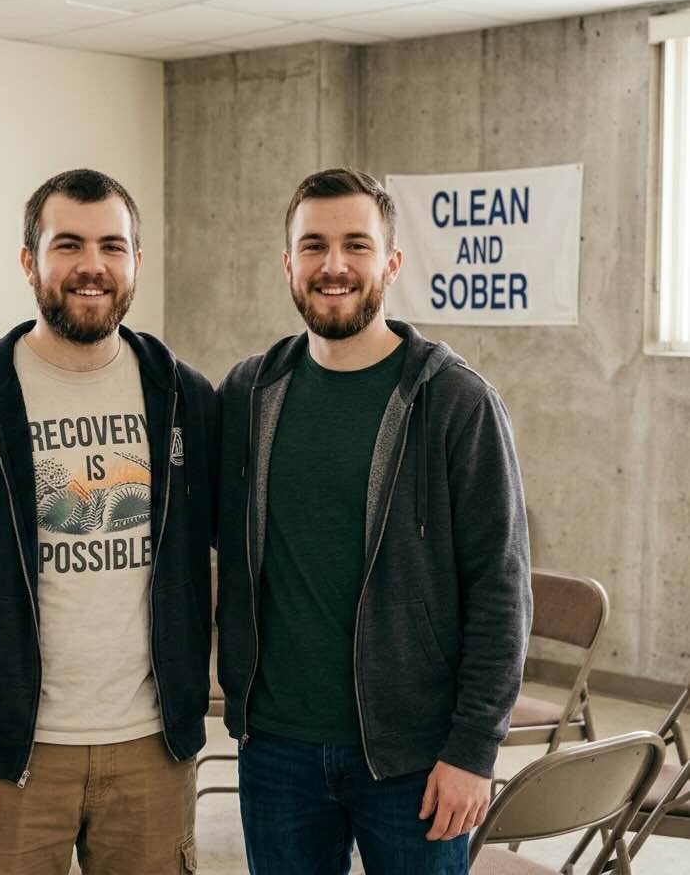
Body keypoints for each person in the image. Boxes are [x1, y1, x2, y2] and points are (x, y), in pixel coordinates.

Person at [0, 168, 215, 875]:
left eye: (112, 246)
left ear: (136, 262)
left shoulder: (184, 398)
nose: (91, 266)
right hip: (10, 756)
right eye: (68, 244)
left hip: (152, 749)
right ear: (29, 260)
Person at [215, 167, 532, 874]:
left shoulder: (456, 404)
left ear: (391, 262)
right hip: (275, 746)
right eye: (314, 246)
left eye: (356, 245)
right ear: (288, 263)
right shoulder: (249, 393)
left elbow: (500, 589)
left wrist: (473, 749)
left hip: (414, 755)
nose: (334, 266)